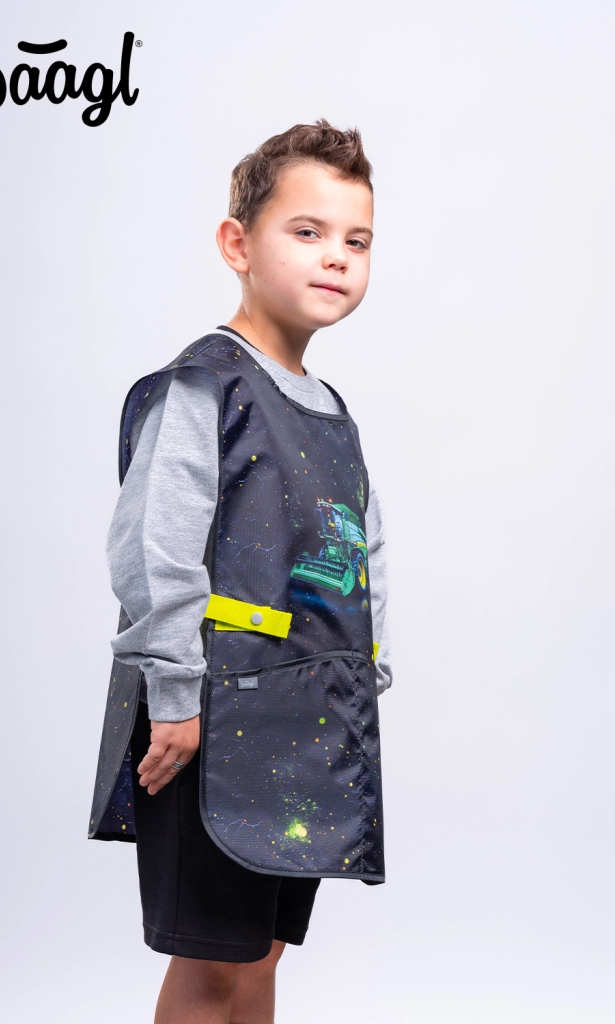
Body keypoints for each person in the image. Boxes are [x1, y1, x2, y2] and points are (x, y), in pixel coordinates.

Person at [90, 119, 392, 1024]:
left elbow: (361, 549)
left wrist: (364, 678)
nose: (335, 256)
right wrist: (174, 697)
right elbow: (154, 549)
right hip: (211, 718)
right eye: (306, 231)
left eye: (356, 241)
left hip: (305, 721)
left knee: (261, 955)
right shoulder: (205, 386)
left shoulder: (330, 409)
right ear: (238, 245)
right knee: (211, 966)